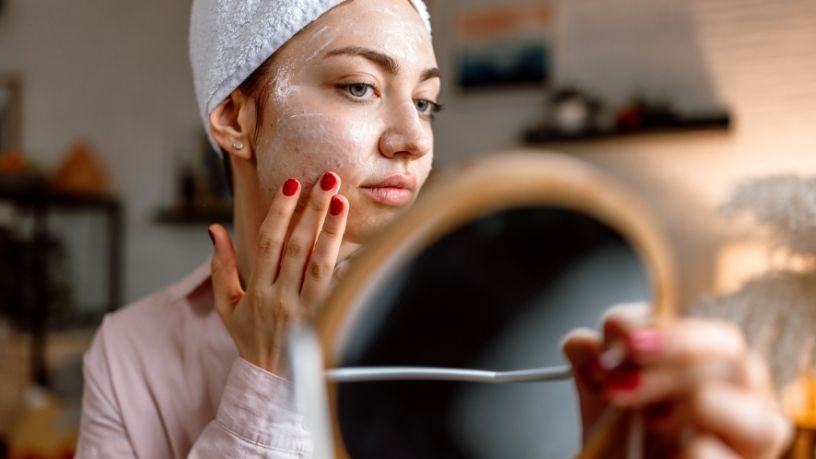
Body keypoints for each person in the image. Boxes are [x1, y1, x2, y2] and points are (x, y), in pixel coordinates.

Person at [75, 0, 792, 458]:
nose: (412, 139)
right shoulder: (131, 352)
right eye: (359, 86)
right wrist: (266, 379)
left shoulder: (528, 331)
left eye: (426, 103)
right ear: (235, 117)